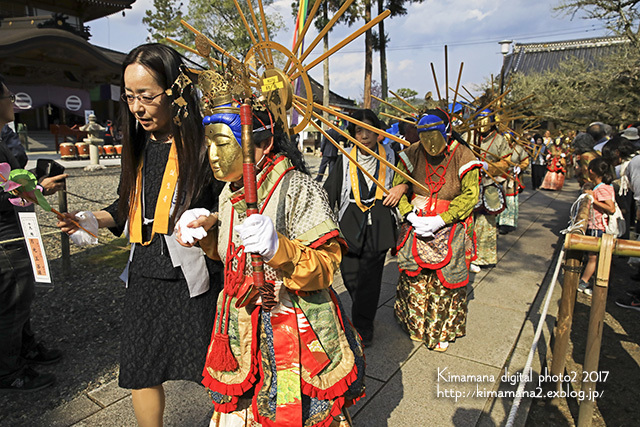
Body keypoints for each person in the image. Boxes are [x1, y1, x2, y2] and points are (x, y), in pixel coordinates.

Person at [56, 44, 223, 426]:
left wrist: (211, 220)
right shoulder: (138, 143)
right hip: (145, 273)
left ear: (175, 92)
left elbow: (232, 206)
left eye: (147, 96)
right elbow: (124, 207)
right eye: (129, 97)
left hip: (193, 274)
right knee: (141, 366)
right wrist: (90, 219)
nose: (137, 107)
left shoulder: (208, 143)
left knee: (214, 366)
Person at [176, 91, 365, 425]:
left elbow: (326, 267)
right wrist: (204, 236)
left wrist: (280, 248)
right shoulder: (228, 192)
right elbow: (230, 258)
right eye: (210, 145)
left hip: (293, 323)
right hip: (240, 326)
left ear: (261, 144)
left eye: (222, 143)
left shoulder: (297, 187)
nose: (213, 156)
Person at [0, 74, 68, 392]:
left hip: (14, 225)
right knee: (13, 298)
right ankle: (9, 370)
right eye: (8, 96)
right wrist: (39, 188)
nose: (12, 101)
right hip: (4, 235)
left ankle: (25, 349)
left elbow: (12, 180)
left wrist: (33, 179)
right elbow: (4, 192)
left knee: (22, 294)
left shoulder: (2, 137)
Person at [392, 108, 481, 352]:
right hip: (417, 221)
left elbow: (471, 194)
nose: (430, 144)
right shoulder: (410, 154)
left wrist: (443, 218)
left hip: (450, 225)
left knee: (445, 283)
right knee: (416, 278)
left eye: (435, 136)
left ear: (447, 132)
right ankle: (415, 325)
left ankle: (440, 329)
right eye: (424, 137)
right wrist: (409, 213)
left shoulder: (464, 156)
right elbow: (398, 186)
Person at [323, 109, 405, 346]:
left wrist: (401, 189)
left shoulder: (392, 155)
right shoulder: (345, 156)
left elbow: (407, 179)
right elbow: (330, 191)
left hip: (380, 223)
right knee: (350, 277)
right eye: (359, 130)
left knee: (371, 278)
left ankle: (363, 326)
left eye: (369, 129)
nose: (364, 134)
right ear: (353, 134)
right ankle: (362, 312)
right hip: (350, 223)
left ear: (377, 132)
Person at [471, 111, 511, 269]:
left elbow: (506, 163)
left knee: (485, 223)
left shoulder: (499, 140)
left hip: (489, 184)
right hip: (470, 184)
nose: (481, 124)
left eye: (485, 120)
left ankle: (481, 257)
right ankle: (467, 255)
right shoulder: (470, 137)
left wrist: (489, 166)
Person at [578, 157, 615, 296]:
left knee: (593, 256)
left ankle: (584, 281)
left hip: (597, 226)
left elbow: (611, 208)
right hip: (596, 225)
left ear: (591, 171)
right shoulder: (602, 187)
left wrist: (593, 199)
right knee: (594, 256)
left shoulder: (601, 189)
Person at [497, 134, 529, 234]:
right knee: (498, 197)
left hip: (512, 177)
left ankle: (507, 223)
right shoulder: (500, 147)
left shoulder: (518, 149)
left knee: (509, 200)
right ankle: (498, 220)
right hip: (499, 176)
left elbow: (525, 161)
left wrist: (520, 167)